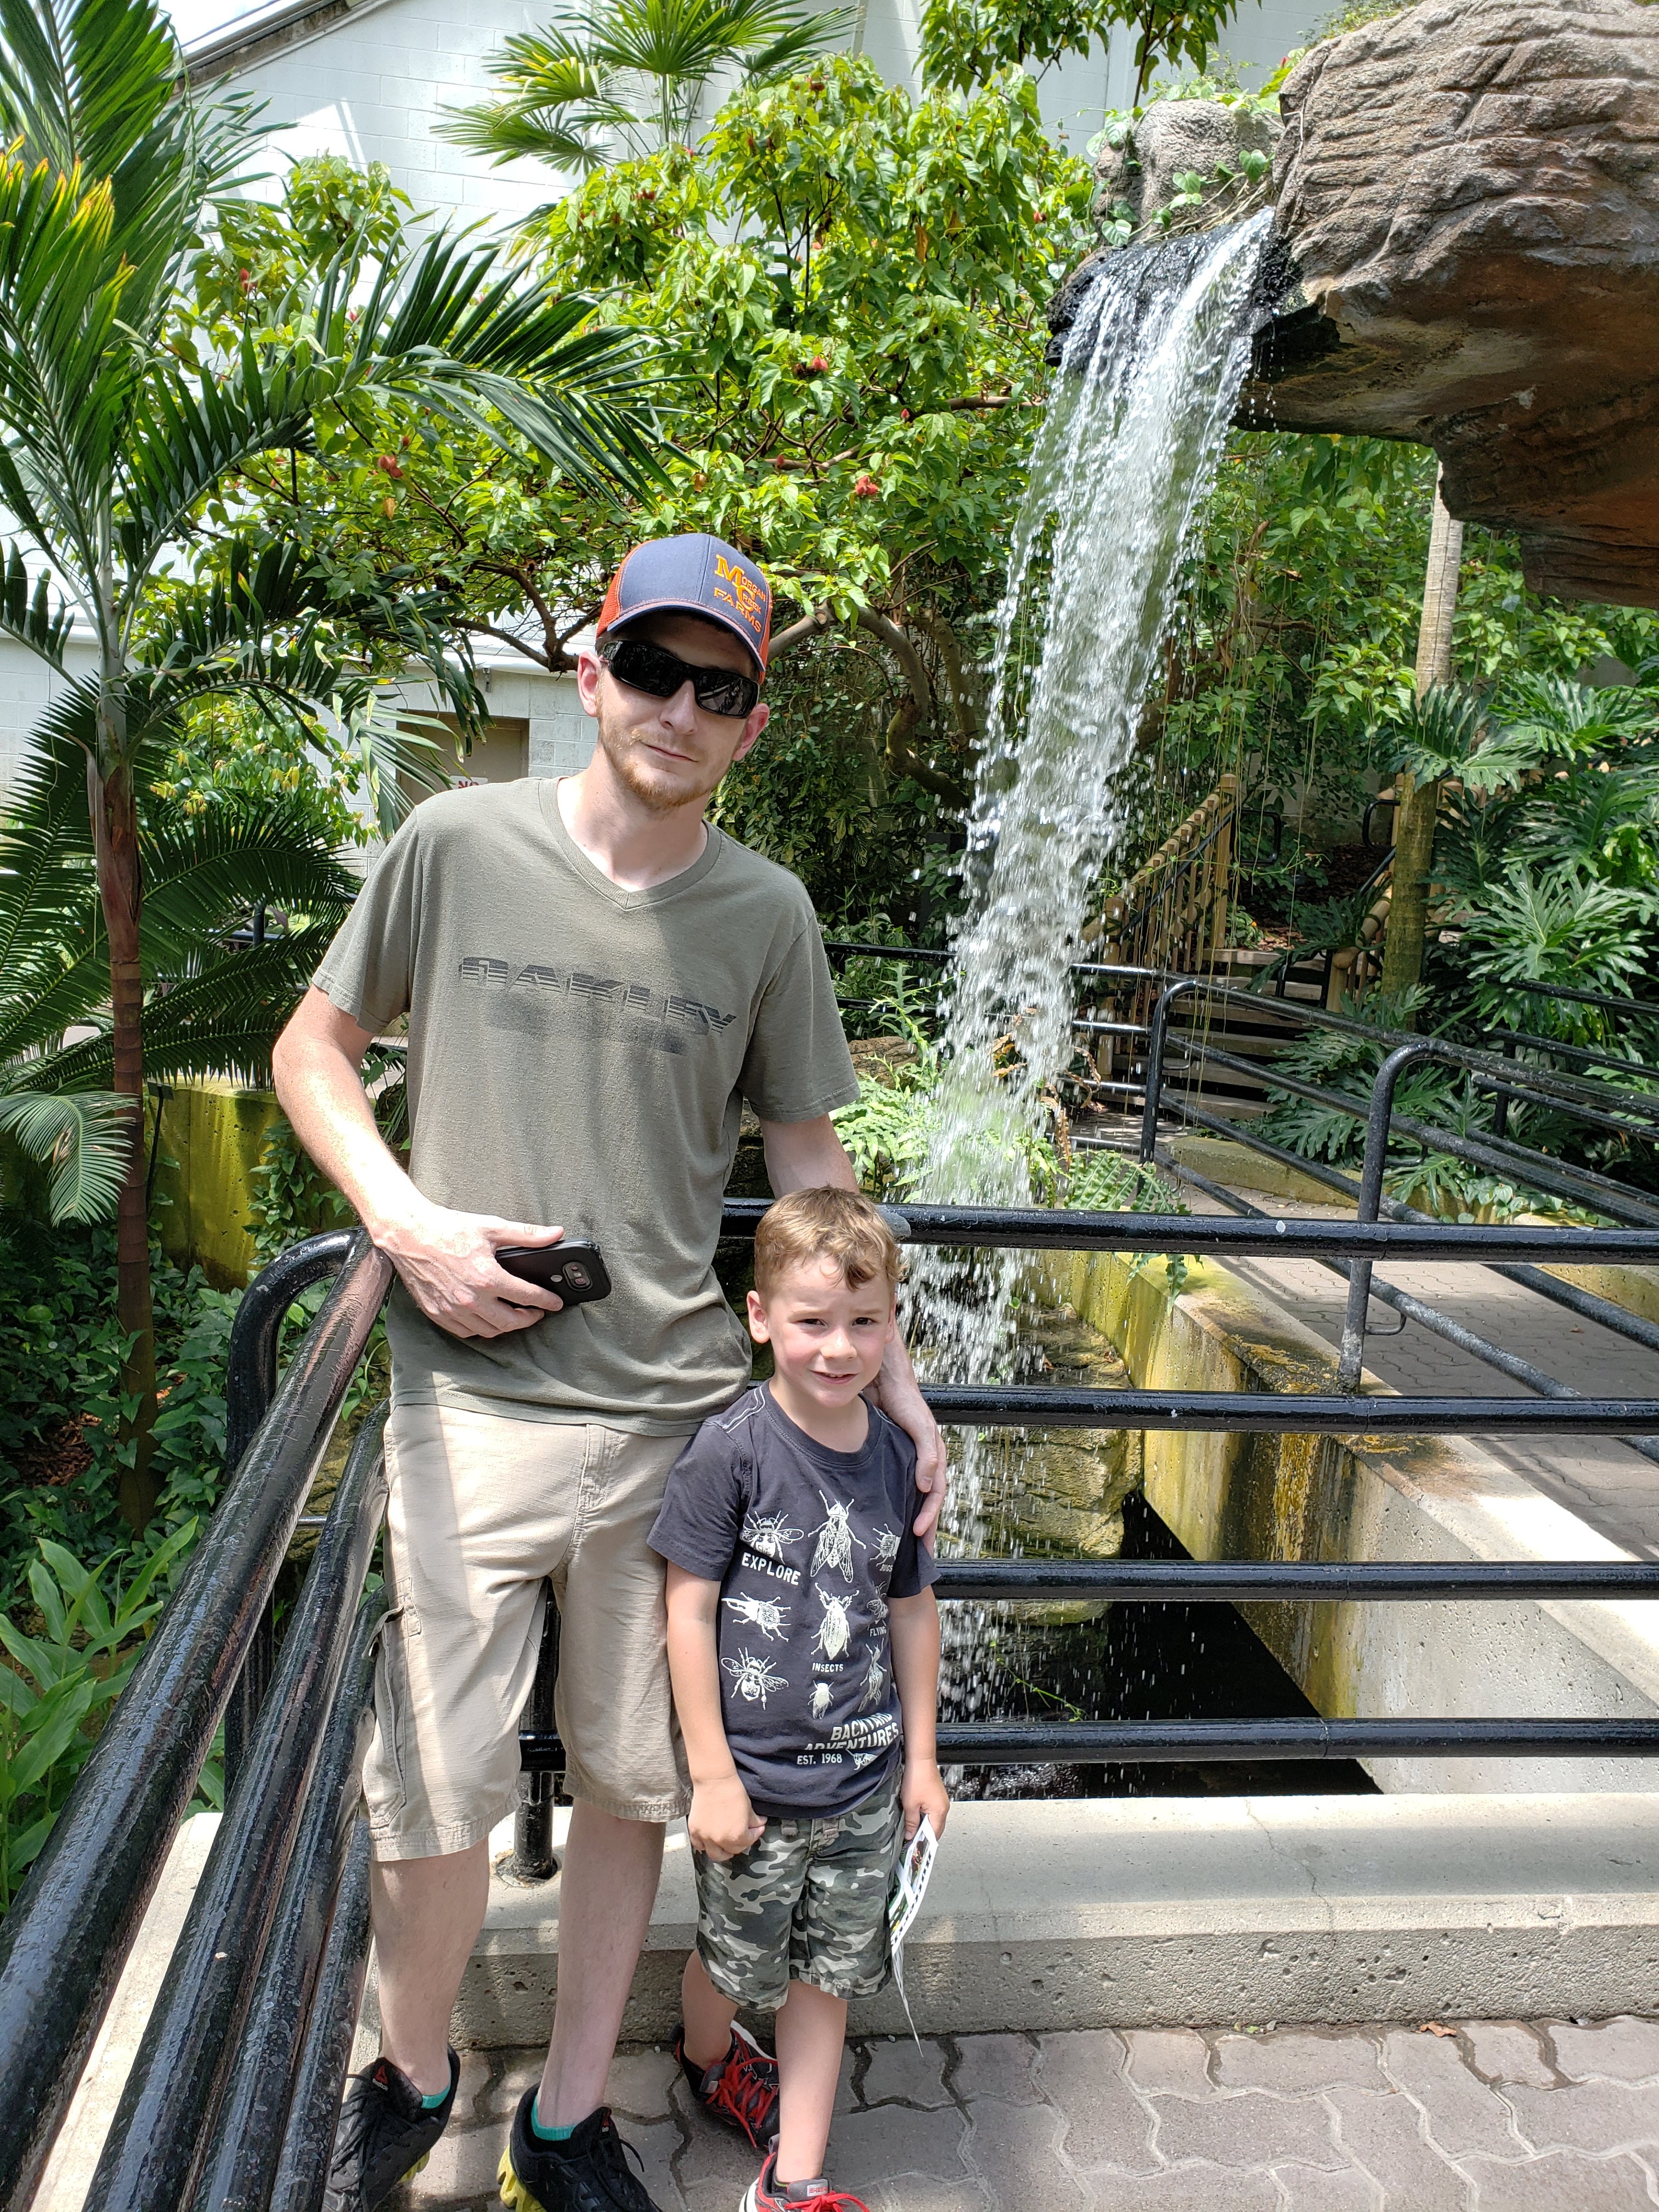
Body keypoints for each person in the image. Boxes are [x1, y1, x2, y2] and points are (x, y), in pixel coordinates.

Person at [270, 532, 946, 2212]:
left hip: (670, 1417)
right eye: (652, 668)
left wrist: (898, 1375)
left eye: (719, 687)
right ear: (592, 674)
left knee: (638, 1781)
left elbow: (806, 1163)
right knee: (435, 1776)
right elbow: (312, 1052)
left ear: (748, 725)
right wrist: (407, 1222)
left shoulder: (765, 913)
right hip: (469, 1398)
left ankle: (572, 2114)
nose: (678, 706)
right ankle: (416, 2070)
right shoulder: (454, 844)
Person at [648, 1186, 949, 2212]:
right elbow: (686, 1615)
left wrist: (920, 1762)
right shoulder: (732, 1450)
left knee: (828, 1978)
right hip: (757, 1791)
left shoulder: (898, 1458)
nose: (840, 1347)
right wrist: (712, 1777)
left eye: (866, 1323)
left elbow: (912, 1612)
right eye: (813, 1321)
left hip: (862, 1789)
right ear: (760, 1316)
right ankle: (705, 2056)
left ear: (892, 1326)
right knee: (733, 1964)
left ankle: (798, 2181)